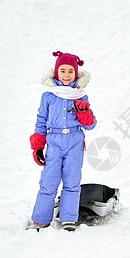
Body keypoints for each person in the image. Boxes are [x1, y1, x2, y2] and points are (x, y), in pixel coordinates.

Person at [29, 51, 96, 232]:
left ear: (76, 74)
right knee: (49, 181)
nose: (67, 75)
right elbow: (41, 120)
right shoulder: (48, 96)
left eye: (70, 72)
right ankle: (41, 219)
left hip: (74, 141)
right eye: (63, 71)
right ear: (56, 73)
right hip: (54, 142)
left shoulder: (80, 95)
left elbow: (90, 124)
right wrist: (38, 146)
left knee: (72, 181)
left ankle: (68, 219)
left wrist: (84, 113)